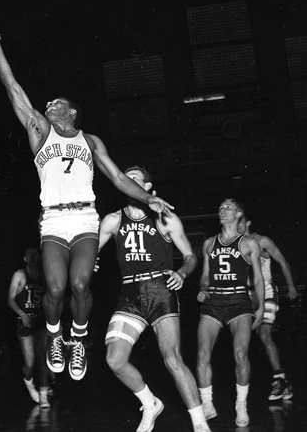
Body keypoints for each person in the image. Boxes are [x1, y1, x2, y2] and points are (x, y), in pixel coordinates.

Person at [0, 16, 174, 381]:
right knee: (54, 288)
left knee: (81, 285)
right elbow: (11, 85)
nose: (49, 104)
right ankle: (55, 337)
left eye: (57, 102)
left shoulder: (90, 141)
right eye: (48, 103)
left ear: (72, 113)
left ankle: (78, 339)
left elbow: (116, 178)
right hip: (53, 218)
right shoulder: (38, 132)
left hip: (84, 219)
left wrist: (150, 200)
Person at [97, 167, 211, 432]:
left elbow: (191, 256)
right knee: (114, 360)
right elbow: (91, 251)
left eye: (135, 179)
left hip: (160, 289)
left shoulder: (165, 219)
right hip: (130, 294)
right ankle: (150, 403)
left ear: (148, 188)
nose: (128, 182)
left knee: (171, 358)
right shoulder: (113, 220)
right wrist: (89, 262)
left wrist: (182, 272)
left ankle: (200, 424)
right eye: (126, 179)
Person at [196, 200, 264, 428]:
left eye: (227, 207)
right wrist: (203, 289)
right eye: (220, 207)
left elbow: (257, 278)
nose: (222, 210)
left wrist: (261, 306)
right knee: (203, 353)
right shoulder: (208, 243)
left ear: (239, 213)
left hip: (238, 301)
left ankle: (241, 404)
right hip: (214, 300)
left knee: (239, 354)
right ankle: (207, 404)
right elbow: (205, 275)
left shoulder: (249, 243)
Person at [238, 217, 298, 401]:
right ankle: (282, 383)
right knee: (249, 341)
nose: (236, 226)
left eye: (240, 222)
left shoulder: (262, 241)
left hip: (266, 291)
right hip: (245, 295)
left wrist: (291, 287)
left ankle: (278, 379)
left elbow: (283, 262)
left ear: (248, 222)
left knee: (264, 334)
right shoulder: (233, 245)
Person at [7, 247, 52, 408]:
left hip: (40, 320)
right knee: (30, 363)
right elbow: (10, 299)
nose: (32, 256)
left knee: (44, 361)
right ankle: (29, 384)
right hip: (24, 320)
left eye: (35, 254)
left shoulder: (43, 275)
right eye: (29, 254)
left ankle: (44, 394)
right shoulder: (19, 275)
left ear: (39, 257)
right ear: (25, 258)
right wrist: (22, 313)